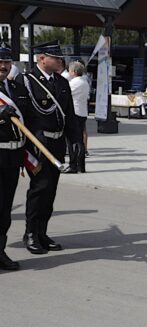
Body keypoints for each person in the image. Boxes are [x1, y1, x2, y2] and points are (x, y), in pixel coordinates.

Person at [16, 41, 75, 254]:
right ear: (42, 58)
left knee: (51, 190)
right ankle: (30, 233)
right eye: (56, 57)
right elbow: (21, 116)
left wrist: (75, 142)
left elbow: (68, 115)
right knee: (39, 189)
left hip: (57, 143)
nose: (60, 60)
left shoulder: (61, 82)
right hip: (38, 145)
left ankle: (42, 232)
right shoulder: (26, 82)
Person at [0, 42, 29, 270]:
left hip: (12, 157)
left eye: (7, 61)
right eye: (0, 62)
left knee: (4, 211)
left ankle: (0, 252)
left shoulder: (15, 89)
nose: (3, 65)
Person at [65, 60, 89, 174]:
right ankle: (81, 165)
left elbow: (66, 94)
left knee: (72, 141)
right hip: (82, 112)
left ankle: (73, 165)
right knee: (79, 140)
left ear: (74, 72)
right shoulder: (85, 82)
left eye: (69, 70)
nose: (68, 72)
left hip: (75, 112)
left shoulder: (74, 83)